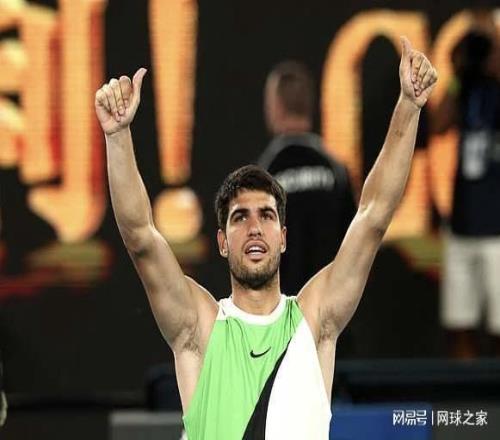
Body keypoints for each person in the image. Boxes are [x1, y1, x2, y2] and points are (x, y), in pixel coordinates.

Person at [95, 37, 437, 439]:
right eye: (240, 217)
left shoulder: (315, 321)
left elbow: (373, 217)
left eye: (267, 216)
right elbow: (140, 236)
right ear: (222, 242)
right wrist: (117, 136)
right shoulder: (199, 328)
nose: (254, 227)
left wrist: (409, 106)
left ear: (283, 237)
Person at [433, 14, 500, 358]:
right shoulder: (466, 90)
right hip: (462, 227)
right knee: (458, 325)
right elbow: (437, 124)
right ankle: (466, 389)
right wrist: (460, 75)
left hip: (497, 232)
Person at [258, 61, 357, 295]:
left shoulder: (263, 175)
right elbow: (356, 246)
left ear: (276, 106)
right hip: (330, 306)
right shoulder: (336, 170)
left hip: (281, 310)